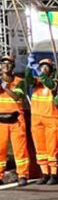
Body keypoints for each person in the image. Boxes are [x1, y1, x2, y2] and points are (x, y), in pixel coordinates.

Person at [26, 58, 58, 184]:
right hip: (37, 118)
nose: (43, 69)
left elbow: (51, 86)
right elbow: (28, 80)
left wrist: (40, 73)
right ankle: (44, 173)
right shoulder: (37, 82)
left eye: (46, 66)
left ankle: (54, 174)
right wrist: (28, 68)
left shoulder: (55, 82)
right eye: (41, 66)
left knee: (53, 148)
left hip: (51, 118)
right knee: (40, 148)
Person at [0, 55, 30, 185]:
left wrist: (4, 86)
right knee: (0, 149)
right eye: (3, 63)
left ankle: (22, 174)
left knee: (20, 149)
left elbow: (17, 97)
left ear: (13, 66)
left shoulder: (19, 81)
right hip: (1, 120)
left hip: (16, 120)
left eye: (9, 63)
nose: (6, 66)